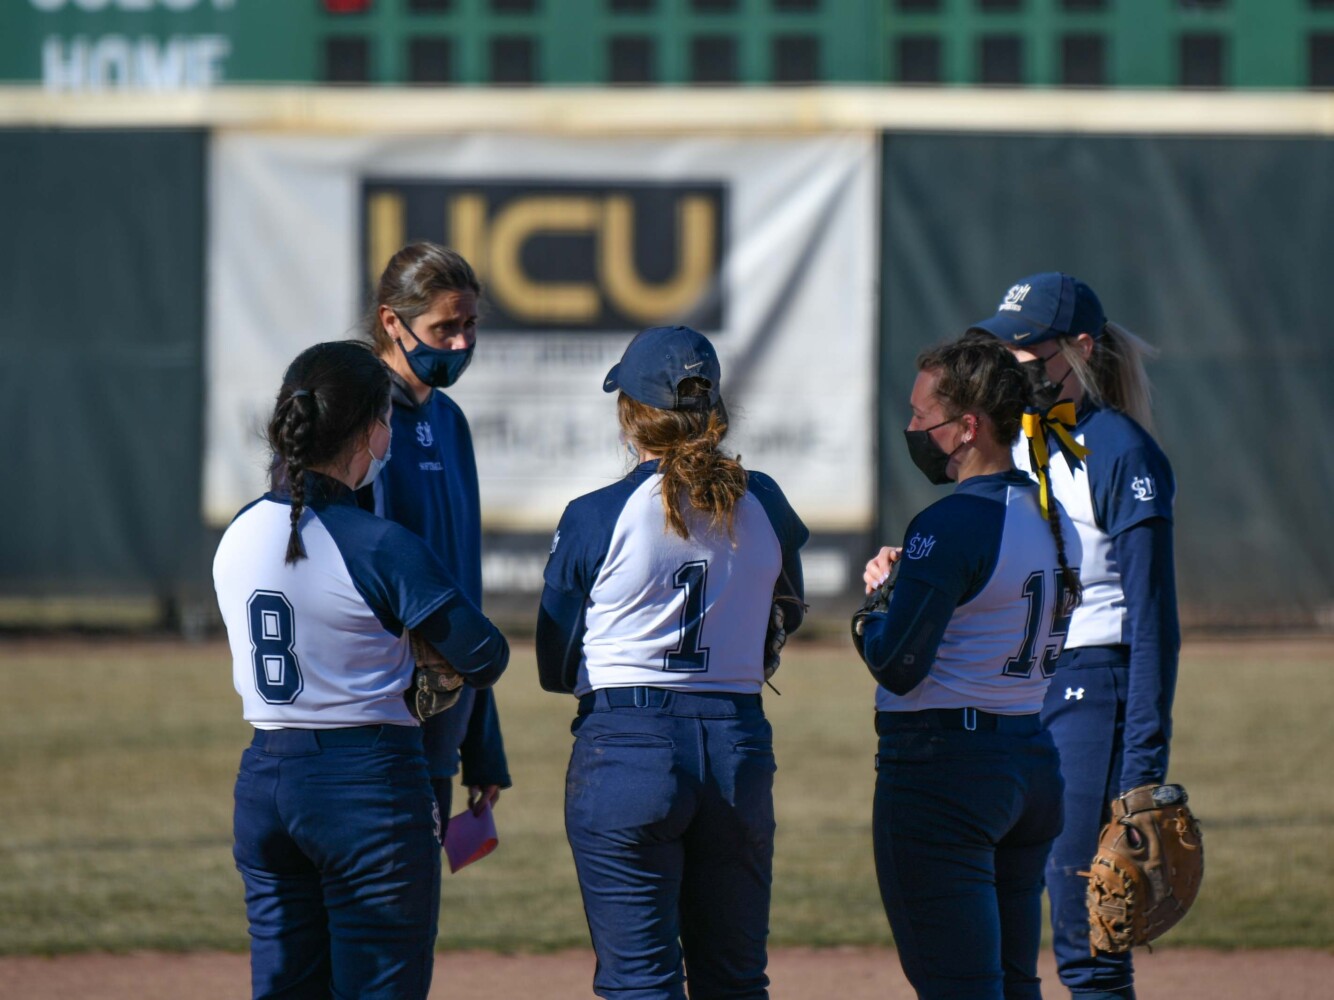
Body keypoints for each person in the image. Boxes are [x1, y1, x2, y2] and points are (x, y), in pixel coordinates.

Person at [213, 340, 510, 999]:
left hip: (266, 782)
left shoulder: (238, 532)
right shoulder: (379, 545)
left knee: (285, 987)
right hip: (366, 785)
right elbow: (486, 655)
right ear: (376, 431)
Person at [535, 325, 808, 1000]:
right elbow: (788, 610)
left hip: (628, 747)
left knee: (640, 984)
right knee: (736, 980)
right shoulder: (765, 499)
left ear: (631, 414)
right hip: (737, 744)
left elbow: (552, 659)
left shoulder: (599, 514)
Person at [968, 273, 1179, 1000]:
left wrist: (1144, 766)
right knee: (1004, 910)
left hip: (1096, 688)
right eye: (1008, 349)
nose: (1013, 365)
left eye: (1028, 350)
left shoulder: (1120, 450)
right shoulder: (1024, 442)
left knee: (1090, 934)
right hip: (1027, 688)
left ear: (1080, 349)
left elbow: (1155, 620)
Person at [855, 335, 1082, 1000]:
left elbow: (896, 665)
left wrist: (877, 605)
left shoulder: (949, 523)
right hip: (1031, 759)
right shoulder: (1055, 513)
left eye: (923, 417)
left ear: (967, 428)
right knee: (1014, 983)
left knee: (959, 986)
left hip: (945, 770)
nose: (912, 429)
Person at [363, 242, 510, 839]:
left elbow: (461, 589)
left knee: (414, 921)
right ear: (392, 322)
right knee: (378, 921)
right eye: (444, 327)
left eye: (470, 325)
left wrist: (482, 738)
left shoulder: (450, 421)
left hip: (443, 722)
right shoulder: (357, 418)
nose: (460, 344)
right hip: (375, 720)